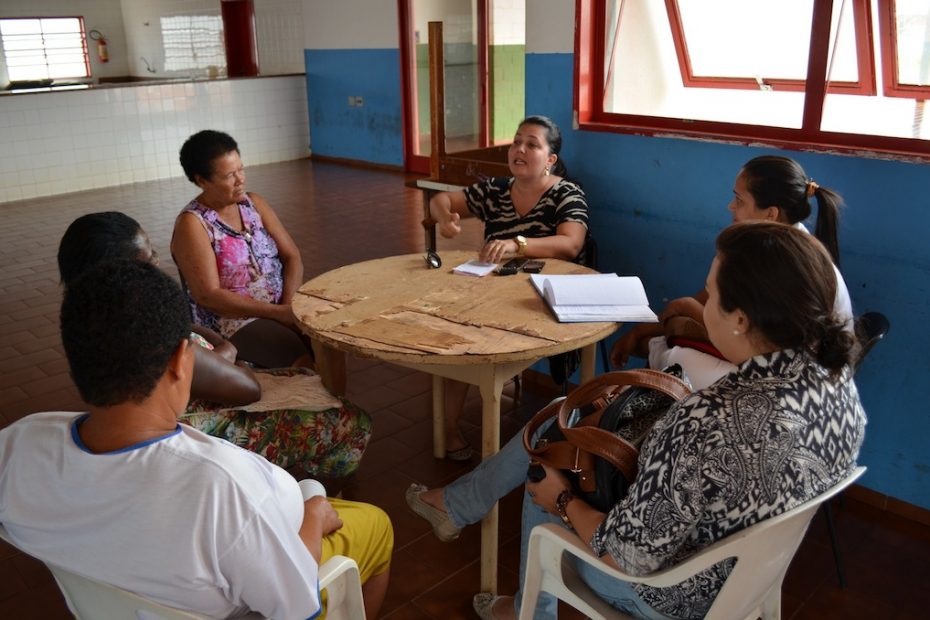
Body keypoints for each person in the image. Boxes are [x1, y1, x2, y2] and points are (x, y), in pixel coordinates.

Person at [406, 222, 866, 620]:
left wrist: (561, 499)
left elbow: (624, 557)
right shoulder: (837, 384)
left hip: (673, 595)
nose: (702, 307)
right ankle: (459, 506)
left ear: (741, 320)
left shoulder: (708, 420)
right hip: (752, 569)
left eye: (712, 295)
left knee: (548, 465)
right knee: (570, 418)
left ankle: (528, 609)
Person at [0, 260, 392, 619]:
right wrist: (314, 516)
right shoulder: (226, 487)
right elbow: (294, 603)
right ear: (180, 361)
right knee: (377, 524)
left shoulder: (18, 444)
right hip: (259, 586)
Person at [57, 212, 371, 484]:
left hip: (138, 434)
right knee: (352, 419)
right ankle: (320, 490)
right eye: (149, 257)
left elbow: (291, 256)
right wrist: (225, 348)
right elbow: (247, 389)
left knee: (297, 370)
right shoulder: (156, 334)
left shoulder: (85, 319)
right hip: (190, 436)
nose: (157, 261)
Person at [611, 154, 853, 390]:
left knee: (675, 358)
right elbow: (709, 303)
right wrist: (649, 327)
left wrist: (684, 310)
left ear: (771, 213)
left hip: (789, 380)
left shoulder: (777, 259)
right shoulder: (786, 242)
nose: (730, 206)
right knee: (669, 333)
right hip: (790, 367)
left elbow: (752, 340)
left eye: (739, 200)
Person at [427, 115, 589, 459]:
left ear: (550, 159)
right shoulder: (496, 189)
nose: (520, 149)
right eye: (516, 142)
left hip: (540, 296)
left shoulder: (566, 193)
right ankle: (450, 430)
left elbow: (571, 243)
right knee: (454, 336)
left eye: (532, 144)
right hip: (491, 291)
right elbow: (441, 201)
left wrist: (519, 244)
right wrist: (446, 220)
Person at [172, 129, 313, 370]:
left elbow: (292, 256)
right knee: (302, 362)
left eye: (241, 169)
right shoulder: (193, 224)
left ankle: (336, 405)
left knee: (328, 344)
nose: (240, 180)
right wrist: (277, 314)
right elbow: (208, 295)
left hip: (281, 307)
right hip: (233, 321)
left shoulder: (254, 203)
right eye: (229, 175)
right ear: (202, 180)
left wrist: (287, 308)